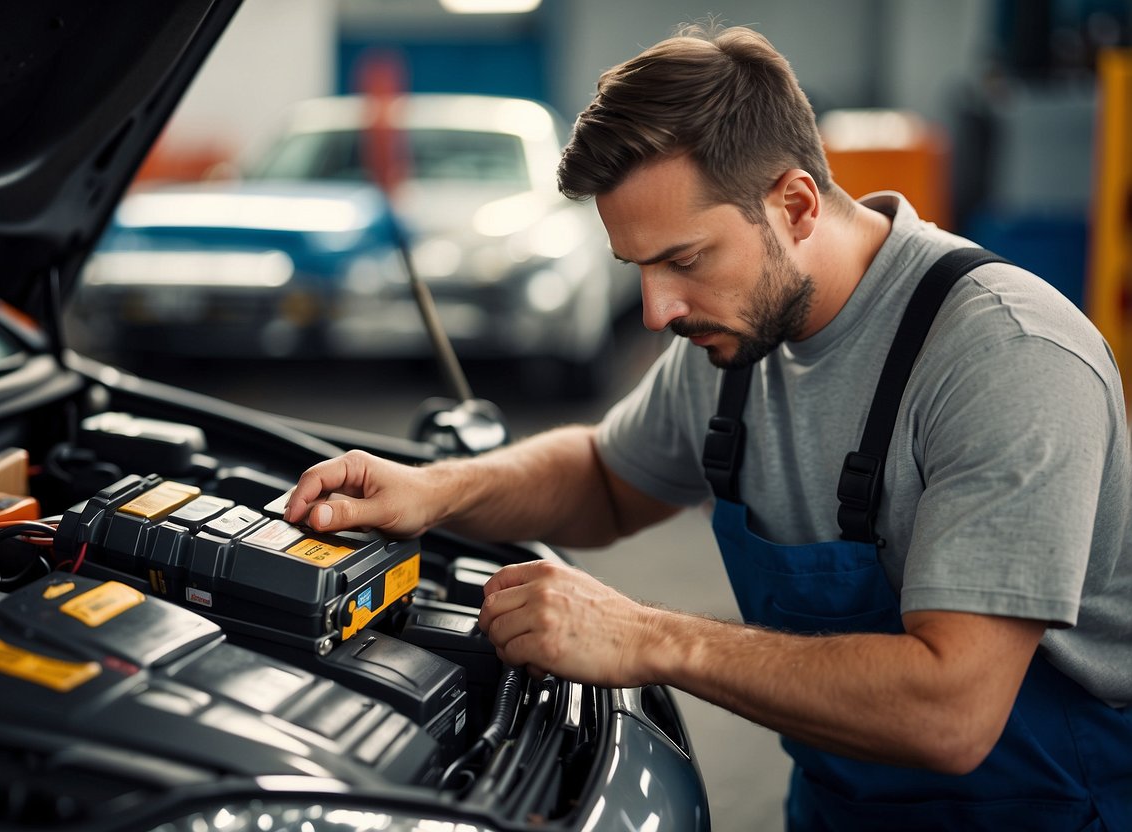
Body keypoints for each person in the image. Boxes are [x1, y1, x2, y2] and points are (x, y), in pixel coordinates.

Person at [284, 25, 1131, 830]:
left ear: (795, 204)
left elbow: (951, 713)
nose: (656, 312)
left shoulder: (1004, 358)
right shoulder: (738, 335)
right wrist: (435, 491)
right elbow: (606, 477)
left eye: (683, 260)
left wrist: (646, 636)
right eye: (637, 269)